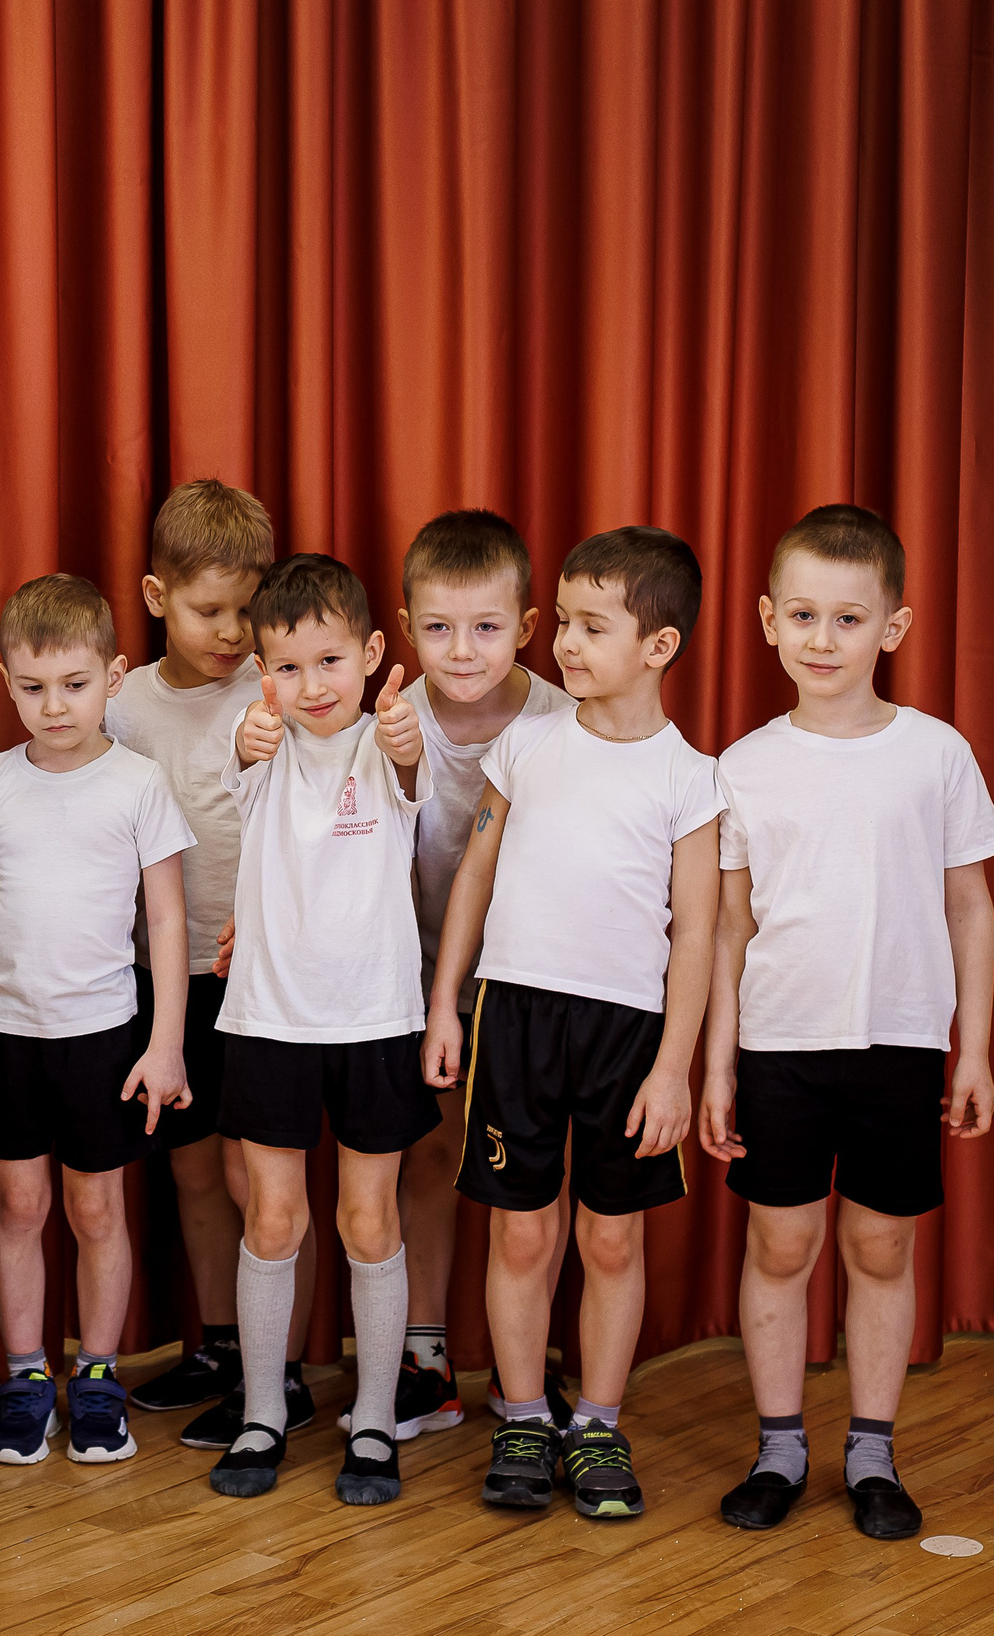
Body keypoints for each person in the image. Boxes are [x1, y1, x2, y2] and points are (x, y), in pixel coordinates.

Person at [701, 505, 994, 1541]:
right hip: (777, 1045)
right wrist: (712, 1068)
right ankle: (779, 1447)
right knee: (780, 1245)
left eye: (845, 618)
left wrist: (976, 1048)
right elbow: (727, 930)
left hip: (900, 1043)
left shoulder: (934, 754)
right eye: (801, 615)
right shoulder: (739, 767)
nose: (820, 639)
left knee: (879, 1248)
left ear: (894, 626)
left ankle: (870, 1451)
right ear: (765, 621)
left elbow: (970, 904)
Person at [424, 526, 721, 1521]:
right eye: (568, 621)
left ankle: (596, 1422)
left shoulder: (692, 779)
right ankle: (520, 1416)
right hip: (512, 1017)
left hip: (627, 1038)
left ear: (659, 646)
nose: (568, 644)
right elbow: (474, 872)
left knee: (609, 1245)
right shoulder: (526, 742)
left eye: (595, 627)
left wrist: (672, 1068)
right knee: (519, 1241)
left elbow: (696, 936)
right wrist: (444, 1002)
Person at [0, 574, 194, 1469]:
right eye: (33, 686)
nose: (55, 704)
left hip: (105, 1036)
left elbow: (170, 922)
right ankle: (28, 1377)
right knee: (19, 1203)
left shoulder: (140, 783)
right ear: (6, 682)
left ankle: (99, 1375)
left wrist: (165, 1043)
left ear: (114, 675)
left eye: (74, 683)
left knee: (95, 1207)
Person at [204, 555, 439, 1506]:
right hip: (269, 1018)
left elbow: (415, 767)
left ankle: (374, 1422)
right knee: (273, 1216)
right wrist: (253, 732)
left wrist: (401, 733)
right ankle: (264, 1412)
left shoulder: (391, 741)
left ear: (375, 651)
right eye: (288, 667)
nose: (311, 687)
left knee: (368, 1217)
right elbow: (248, 755)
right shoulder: (258, 745)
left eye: (332, 661)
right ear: (264, 672)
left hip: (378, 1016)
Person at [109, 481, 321, 1451]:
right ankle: (223, 1345)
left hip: (261, 971)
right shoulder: (122, 705)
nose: (233, 631)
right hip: (167, 970)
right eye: (208, 610)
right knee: (194, 1171)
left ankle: (285, 1367)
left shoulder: (279, 689)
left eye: (247, 608)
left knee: (257, 1176)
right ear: (155, 596)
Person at [373, 512, 575, 1440]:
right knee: (427, 1152)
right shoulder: (387, 720)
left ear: (527, 627)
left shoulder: (564, 721)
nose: (463, 650)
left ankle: (526, 1369)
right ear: (408, 627)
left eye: (487, 627)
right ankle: (424, 1351)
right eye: (441, 628)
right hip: (408, 974)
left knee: (532, 1179)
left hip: (527, 984)